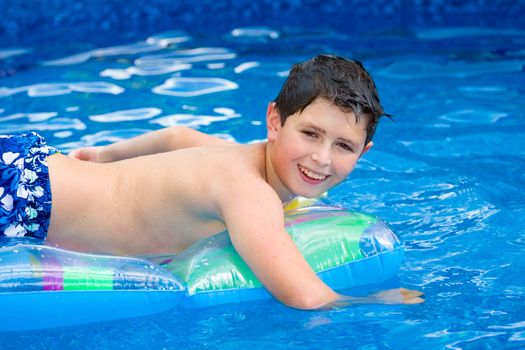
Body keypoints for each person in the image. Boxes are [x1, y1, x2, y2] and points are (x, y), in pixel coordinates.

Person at [0, 54, 423, 309]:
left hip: (33, 165)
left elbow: (176, 135)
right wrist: (373, 303)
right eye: (310, 134)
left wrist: (104, 156)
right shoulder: (250, 194)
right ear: (274, 121)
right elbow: (304, 296)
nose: (321, 158)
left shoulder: (234, 154)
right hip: (27, 203)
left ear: (362, 153)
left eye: (343, 146)